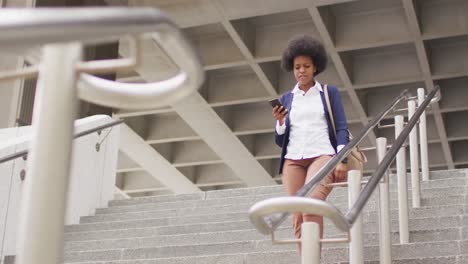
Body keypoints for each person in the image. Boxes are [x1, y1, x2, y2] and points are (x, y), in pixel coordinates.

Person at [272, 35, 350, 253]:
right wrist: (279, 122)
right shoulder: (287, 98)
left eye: (306, 66)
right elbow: (280, 140)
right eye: (297, 67)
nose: (301, 71)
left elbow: (342, 126)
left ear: (315, 67)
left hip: (321, 155)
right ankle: (307, 259)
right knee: (297, 214)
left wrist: (342, 160)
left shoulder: (328, 93)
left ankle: (313, 256)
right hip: (293, 161)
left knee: (312, 203)